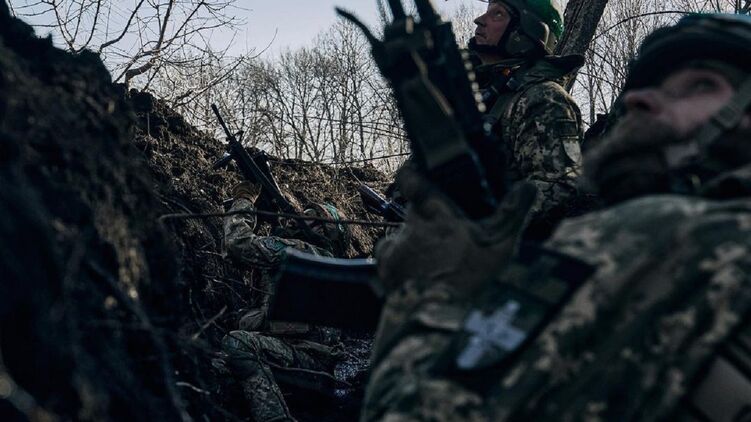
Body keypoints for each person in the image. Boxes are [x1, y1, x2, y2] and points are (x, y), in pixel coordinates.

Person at [363, 13, 751, 421]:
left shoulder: (664, 235)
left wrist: (435, 289)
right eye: (647, 86)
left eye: (702, 84)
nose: (638, 98)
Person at [220, 180, 352, 422]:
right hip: (304, 363)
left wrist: (244, 200)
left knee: (239, 343)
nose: (298, 218)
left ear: (323, 230)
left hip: (305, 363)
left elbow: (238, 244)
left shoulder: (301, 251)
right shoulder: (323, 260)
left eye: (309, 216)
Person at [470, 0, 585, 237]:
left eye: (497, 14)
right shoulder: (483, 97)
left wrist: (480, 232)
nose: (479, 20)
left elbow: (558, 187)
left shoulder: (543, 98)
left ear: (524, 32)